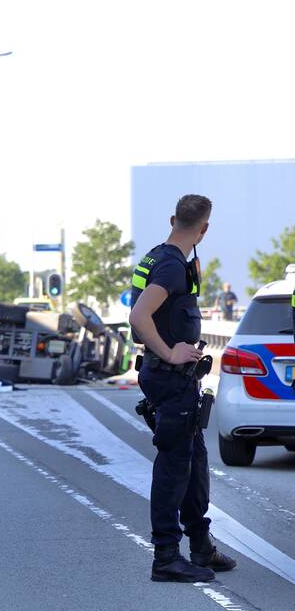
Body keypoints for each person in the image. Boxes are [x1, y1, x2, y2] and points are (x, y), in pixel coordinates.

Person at [129, 194, 237, 583]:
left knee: (194, 464)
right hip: (170, 377)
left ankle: (201, 546)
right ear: (204, 229)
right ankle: (166, 557)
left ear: (173, 218)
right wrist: (170, 352)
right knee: (174, 467)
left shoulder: (163, 256)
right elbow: (139, 316)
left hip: (177, 381)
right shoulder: (172, 267)